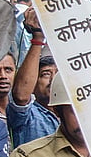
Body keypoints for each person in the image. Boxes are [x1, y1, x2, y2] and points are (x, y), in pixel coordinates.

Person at [6, 9, 60, 149]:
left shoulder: (73, 112)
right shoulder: (28, 116)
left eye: (58, 73)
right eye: (46, 74)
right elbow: (21, 97)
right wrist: (38, 39)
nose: (53, 79)